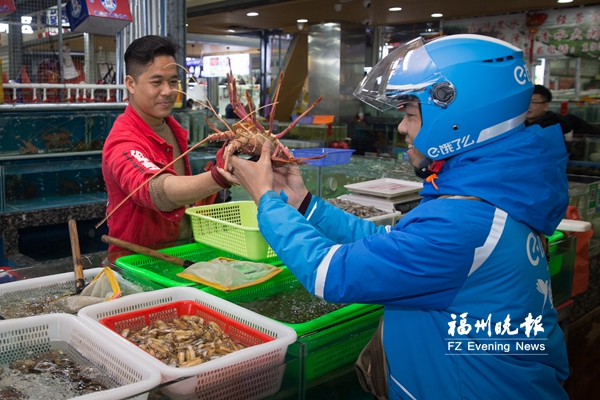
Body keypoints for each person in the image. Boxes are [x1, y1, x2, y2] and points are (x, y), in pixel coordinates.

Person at [227, 34, 570, 399]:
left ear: (456, 117)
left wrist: (266, 198)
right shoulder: (491, 197)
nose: (402, 128)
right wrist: (303, 203)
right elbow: (389, 247)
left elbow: (329, 272)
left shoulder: (463, 222)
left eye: (409, 113)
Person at [102, 35, 233, 253]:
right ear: (131, 84)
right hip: (137, 263)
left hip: (180, 253)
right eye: (156, 82)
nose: (168, 91)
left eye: (173, 81)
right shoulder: (122, 138)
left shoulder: (172, 127)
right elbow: (153, 189)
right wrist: (219, 178)